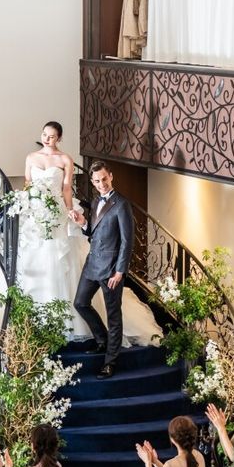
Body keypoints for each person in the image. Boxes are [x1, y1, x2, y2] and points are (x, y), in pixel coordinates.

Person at [17, 123, 161, 354]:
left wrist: (68, 212)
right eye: (44, 135)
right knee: (41, 266)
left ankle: (106, 351)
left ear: (59, 138)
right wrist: (28, 206)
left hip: (58, 215)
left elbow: (66, 189)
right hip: (36, 214)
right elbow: (28, 184)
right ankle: (42, 323)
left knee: (63, 265)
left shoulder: (66, 160)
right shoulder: (31, 157)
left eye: (52, 136)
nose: (47, 139)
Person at [72, 159, 135, 379]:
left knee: (113, 316)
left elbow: (127, 242)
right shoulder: (95, 200)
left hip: (111, 270)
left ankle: (110, 362)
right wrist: (82, 222)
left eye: (104, 179)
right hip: (92, 263)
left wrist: (120, 272)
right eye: (97, 181)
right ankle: (102, 339)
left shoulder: (122, 204)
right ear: (92, 182)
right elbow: (94, 232)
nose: (102, 184)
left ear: (111, 176)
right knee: (80, 303)